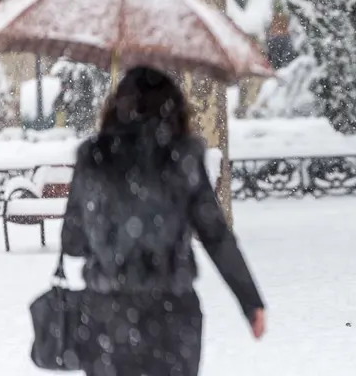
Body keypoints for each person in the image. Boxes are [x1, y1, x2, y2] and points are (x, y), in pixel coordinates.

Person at [60, 66, 266, 375]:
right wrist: (249, 301)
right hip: (173, 315)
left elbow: (72, 242)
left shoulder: (93, 158)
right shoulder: (182, 159)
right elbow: (215, 235)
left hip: (106, 317)